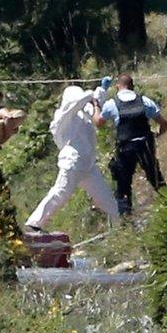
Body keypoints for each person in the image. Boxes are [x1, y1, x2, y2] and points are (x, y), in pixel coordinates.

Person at [25, 79, 119, 232]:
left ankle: (121, 225)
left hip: (88, 165)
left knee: (106, 198)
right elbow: (78, 102)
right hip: (72, 162)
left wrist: (101, 90)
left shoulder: (83, 114)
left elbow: (95, 105)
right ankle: (34, 223)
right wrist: (90, 94)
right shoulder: (62, 117)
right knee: (60, 193)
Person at [96, 74, 167, 216]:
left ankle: (125, 219)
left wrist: (95, 105)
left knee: (123, 185)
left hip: (125, 150)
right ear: (132, 86)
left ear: (118, 86)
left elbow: (98, 123)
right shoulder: (145, 101)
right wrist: (155, 135)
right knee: (156, 179)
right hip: (145, 147)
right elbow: (165, 125)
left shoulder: (112, 104)